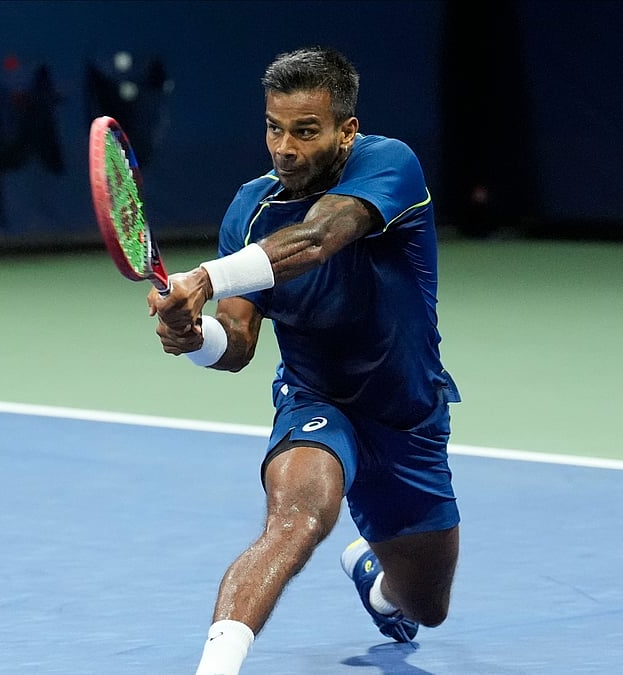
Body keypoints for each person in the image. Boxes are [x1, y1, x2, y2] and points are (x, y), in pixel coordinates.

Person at [147, 46, 461, 675]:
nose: (284, 148)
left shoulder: (388, 164)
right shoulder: (249, 208)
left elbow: (319, 239)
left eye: (305, 131)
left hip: (408, 415)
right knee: (295, 522)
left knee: (425, 607)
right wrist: (194, 336)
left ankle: (375, 582)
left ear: (347, 132)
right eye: (274, 127)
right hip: (316, 403)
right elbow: (237, 345)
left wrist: (204, 277)